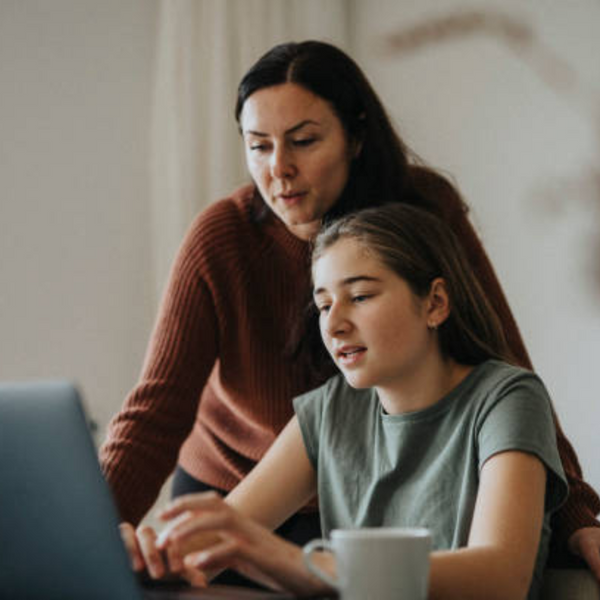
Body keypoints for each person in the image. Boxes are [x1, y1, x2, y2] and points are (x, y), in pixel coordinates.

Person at [100, 40, 600, 579]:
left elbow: (503, 360)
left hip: (363, 500)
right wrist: (93, 536)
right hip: (247, 483)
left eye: (304, 141)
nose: (279, 169)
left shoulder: (426, 218)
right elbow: (156, 412)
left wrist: (575, 514)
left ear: (356, 137)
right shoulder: (321, 404)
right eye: (258, 146)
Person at [124, 202, 569, 599]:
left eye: (359, 297)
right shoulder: (327, 411)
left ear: (434, 303)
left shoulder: (508, 398)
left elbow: (501, 576)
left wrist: (303, 565)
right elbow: (216, 541)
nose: (334, 325)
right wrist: (150, 554)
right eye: (322, 305)